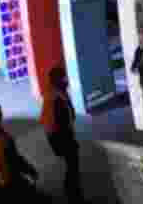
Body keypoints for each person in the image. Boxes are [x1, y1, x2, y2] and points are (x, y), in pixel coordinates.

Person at [41, 65, 83, 203]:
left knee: (71, 165)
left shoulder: (53, 92)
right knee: (72, 165)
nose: (66, 80)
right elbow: (62, 124)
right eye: (64, 77)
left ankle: (71, 191)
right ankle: (73, 195)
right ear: (59, 80)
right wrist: (71, 142)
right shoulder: (57, 97)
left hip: (56, 136)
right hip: (61, 137)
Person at [0, 100, 38, 192]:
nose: (1, 112)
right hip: (9, 182)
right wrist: (31, 170)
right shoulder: (3, 138)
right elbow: (16, 160)